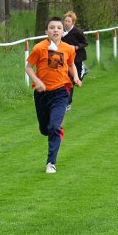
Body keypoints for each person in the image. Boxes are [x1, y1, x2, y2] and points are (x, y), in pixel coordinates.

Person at [25, 17, 82, 174]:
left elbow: (71, 64)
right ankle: (53, 130)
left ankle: (51, 163)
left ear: (63, 31)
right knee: (46, 130)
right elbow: (28, 67)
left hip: (61, 92)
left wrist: (76, 77)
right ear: (46, 31)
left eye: (59, 27)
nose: (55, 30)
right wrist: (37, 81)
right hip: (42, 93)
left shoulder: (68, 49)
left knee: (54, 127)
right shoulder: (39, 48)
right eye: (52, 27)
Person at [61, 11, 88, 111]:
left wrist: (76, 47)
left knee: (74, 80)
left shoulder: (77, 31)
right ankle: (67, 103)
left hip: (77, 58)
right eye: (65, 21)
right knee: (68, 80)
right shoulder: (61, 31)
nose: (66, 23)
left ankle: (83, 70)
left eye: (69, 21)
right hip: (65, 59)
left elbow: (85, 43)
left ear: (73, 22)